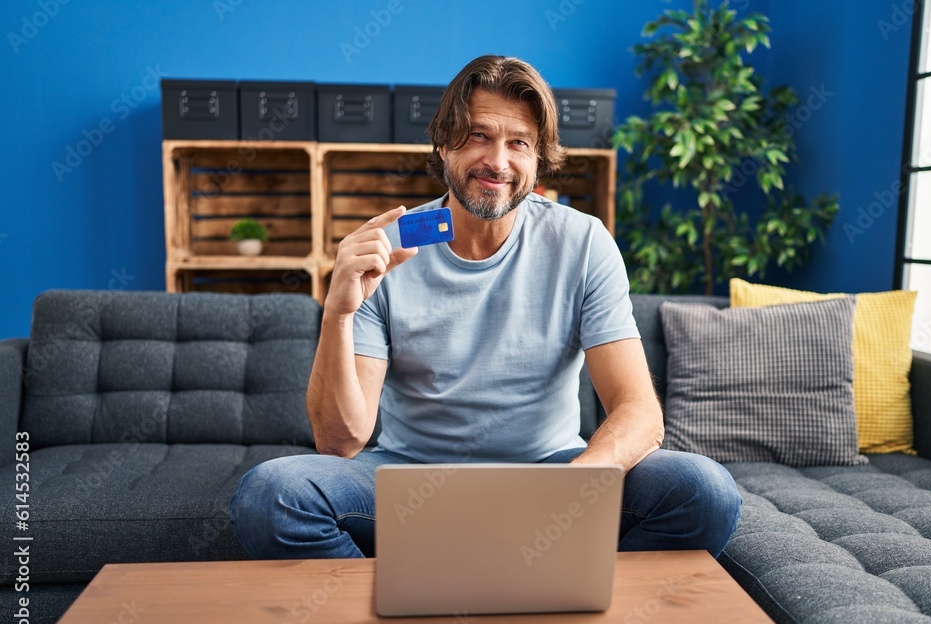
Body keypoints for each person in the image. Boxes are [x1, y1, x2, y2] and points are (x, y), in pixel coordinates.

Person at [230, 55, 741, 560]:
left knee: (703, 491)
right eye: (478, 135)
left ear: (539, 159)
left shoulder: (583, 242)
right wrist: (337, 314)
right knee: (271, 496)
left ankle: (563, 608)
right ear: (443, 143)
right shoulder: (386, 251)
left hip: (551, 472)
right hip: (411, 478)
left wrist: (576, 488)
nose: (497, 161)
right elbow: (339, 443)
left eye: (519, 142)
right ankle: (408, 614)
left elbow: (639, 412)